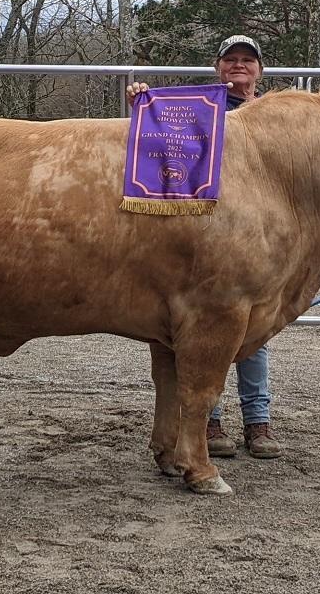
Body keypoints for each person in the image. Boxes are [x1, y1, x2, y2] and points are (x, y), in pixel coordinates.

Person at [126, 34, 282, 459]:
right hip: (205, 233)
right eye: (230, 59)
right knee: (205, 334)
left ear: (259, 70)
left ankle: (258, 423)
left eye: (247, 60)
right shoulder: (198, 107)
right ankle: (209, 422)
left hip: (254, 235)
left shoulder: (275, 116)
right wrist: (142, 101)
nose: (238, 66)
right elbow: (157, 144)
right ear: (217, 67)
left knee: (253, 335)